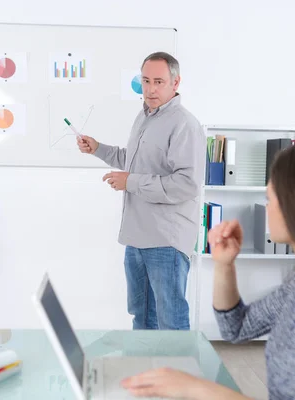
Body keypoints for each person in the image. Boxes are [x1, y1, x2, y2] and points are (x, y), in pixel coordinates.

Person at [121, 141, 295, 399]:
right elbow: (236, 328)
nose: (266, 207)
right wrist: (224, 265)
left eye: (269, 198)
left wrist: (198, 389)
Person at [77, 52, 205, 330]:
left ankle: (177, 374)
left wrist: (131, 182)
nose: (150, 89)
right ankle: (145, 373)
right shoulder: (144, 117)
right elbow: (133, 162)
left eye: (159, 81)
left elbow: (187, 183)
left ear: (175, 82)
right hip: (136, 238)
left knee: (170, 321)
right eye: (146, 81)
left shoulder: (185, 124)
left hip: (165, 241)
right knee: (142, 318)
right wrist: (98, 148)